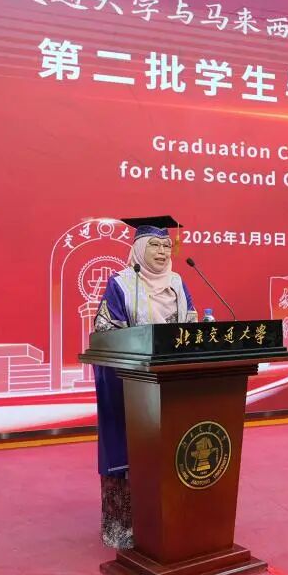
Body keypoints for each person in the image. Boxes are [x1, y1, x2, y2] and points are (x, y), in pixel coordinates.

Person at [92, 216, 198, 549]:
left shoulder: (178, 282)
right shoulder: (122, 284)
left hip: (172, 382)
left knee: (171, 448)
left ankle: (171, 521)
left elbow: (191, 326)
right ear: (138, 249)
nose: (163, 251)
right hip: (130, 382)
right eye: (155, 245)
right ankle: (124, 527)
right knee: (131, 449)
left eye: (167, 246)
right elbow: (105, 332)